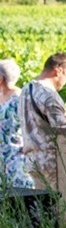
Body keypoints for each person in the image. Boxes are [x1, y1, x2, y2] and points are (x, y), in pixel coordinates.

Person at [19, 52, 66, 190]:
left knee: (41, 201)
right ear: (59, 71)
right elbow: (62, 129)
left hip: (32, 160)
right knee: (57, 202)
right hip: (50, 163)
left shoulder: (27, 88)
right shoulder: (49, 94)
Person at [0, 58, 33, 187]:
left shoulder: (20, 98)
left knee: (20, 195)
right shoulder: (2, 97)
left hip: (16, 159)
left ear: (1, 79)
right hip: (3, 160)